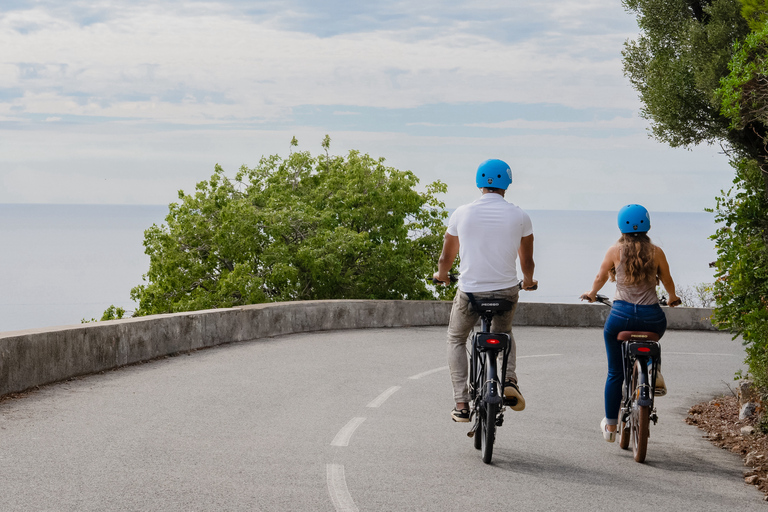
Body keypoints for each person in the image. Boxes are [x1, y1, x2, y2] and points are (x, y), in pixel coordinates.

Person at [433, 158, 537, 423]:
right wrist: (528, 281)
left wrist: (442, 275)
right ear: (507, 184)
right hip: (505, 293)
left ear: (479, 183)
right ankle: (509, 378)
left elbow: (447, 257)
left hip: (471, 294)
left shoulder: (462, 213)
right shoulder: (520, 215)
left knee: (456, 339)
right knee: (506, 334)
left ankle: (461, 404)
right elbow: (527, 262)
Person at [580, 204, 680, 442]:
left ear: (620, 226)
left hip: (621, 316)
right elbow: (667, 280)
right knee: (656, 338)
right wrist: (673, 297)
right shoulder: (656, 252)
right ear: (648, 225)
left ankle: (611, 426)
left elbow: (601, 277)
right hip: (652, 318)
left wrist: (592, 293)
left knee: (615, 372)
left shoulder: (615, 251)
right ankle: (653, 371)